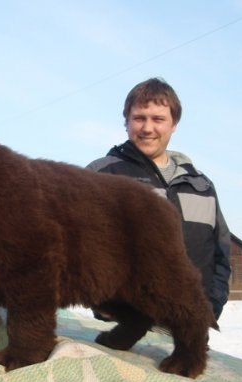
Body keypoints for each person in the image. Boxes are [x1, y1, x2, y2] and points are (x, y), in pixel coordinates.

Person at [87, 77, 231, 320]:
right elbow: (80, 249)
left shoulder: (201, 185)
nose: (147, 128)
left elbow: (221, 253)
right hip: (121, 331)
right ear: (126, 122)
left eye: (158, 119)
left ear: (174, 124)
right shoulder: (100, 177)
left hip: (189, 329)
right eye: (139, 118)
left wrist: (211, 305)